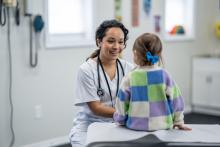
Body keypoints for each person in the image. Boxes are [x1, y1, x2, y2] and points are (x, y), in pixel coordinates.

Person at [69, 19, 134, 147]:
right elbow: (96, 108)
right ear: (99, 41)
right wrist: (129, 113)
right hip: (90, 126)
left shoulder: (130, 69)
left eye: (121, 42)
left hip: (120, 124)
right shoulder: (86, 70)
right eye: (111, 41)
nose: (116, 46)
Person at [113, 33, 191, 131]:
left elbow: (121, 102)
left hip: (136, 128)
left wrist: (120, 120)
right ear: (158, 54)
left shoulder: (129, 78)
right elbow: (176, 100)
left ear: (135, 53)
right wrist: (179, 121)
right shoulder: (164, 75)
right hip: (163, 128)